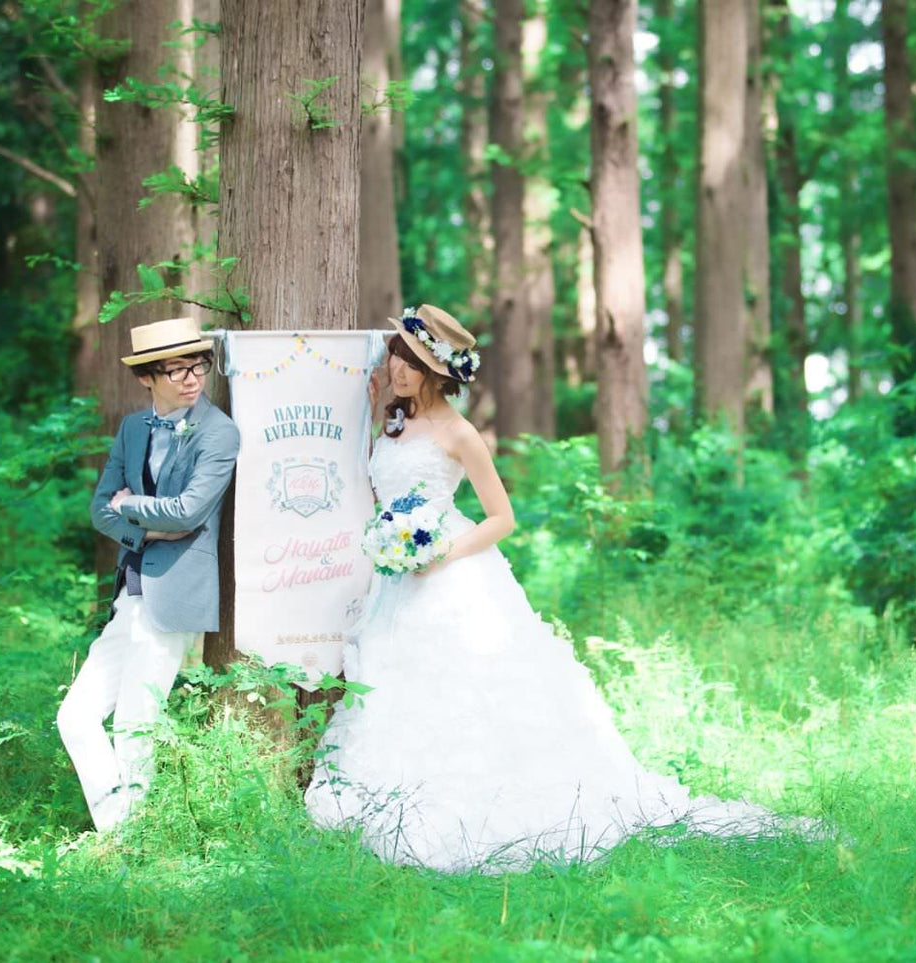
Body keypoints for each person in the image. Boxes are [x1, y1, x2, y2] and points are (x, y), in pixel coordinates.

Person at [305, 304, 820, 872]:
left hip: (447, 571)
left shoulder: (459, 432)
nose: (399, 368)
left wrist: (438, 553)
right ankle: (391, 785)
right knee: (393, 682)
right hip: (394, 579)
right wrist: (392, 540)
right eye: (397, 354)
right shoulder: (393, 420)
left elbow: (502, 517)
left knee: (466, 689)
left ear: (439, 372)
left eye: (412, 361)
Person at [57, 316, 240, 832]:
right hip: (130, 593)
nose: (191, 378)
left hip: (176, 594)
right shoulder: (133, 429)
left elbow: (187, 513)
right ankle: (119, 825)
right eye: (176, 369)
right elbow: (100, 510)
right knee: (75, 717)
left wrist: (132, 506)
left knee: (136, 725)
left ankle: (129, 843)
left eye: (197, 365)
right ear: (147, 377)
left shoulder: (219, 431)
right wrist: (144, 530)